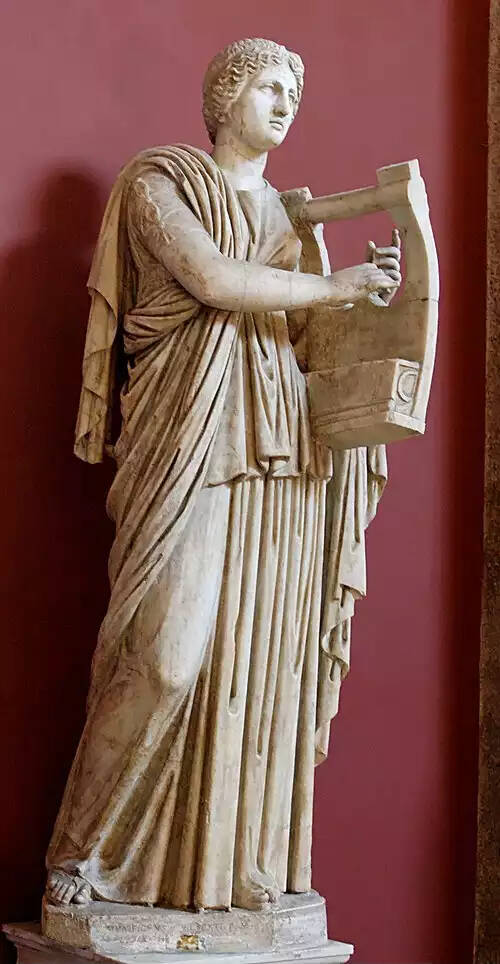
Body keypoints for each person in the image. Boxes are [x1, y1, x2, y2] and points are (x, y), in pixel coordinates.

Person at [45, 37, 400, 913]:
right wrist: (339, 286)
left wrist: (376, 316)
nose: (285, 106)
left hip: (276, 447)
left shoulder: (289, 219)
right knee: (165, 659)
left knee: (254, 664)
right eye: (270, 88)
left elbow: (304, 341)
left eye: (294, 96)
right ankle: (81, 852)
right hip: (187, 442)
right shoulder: (156, 182)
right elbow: (210, 279)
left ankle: (225, 869)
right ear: (226, 94)